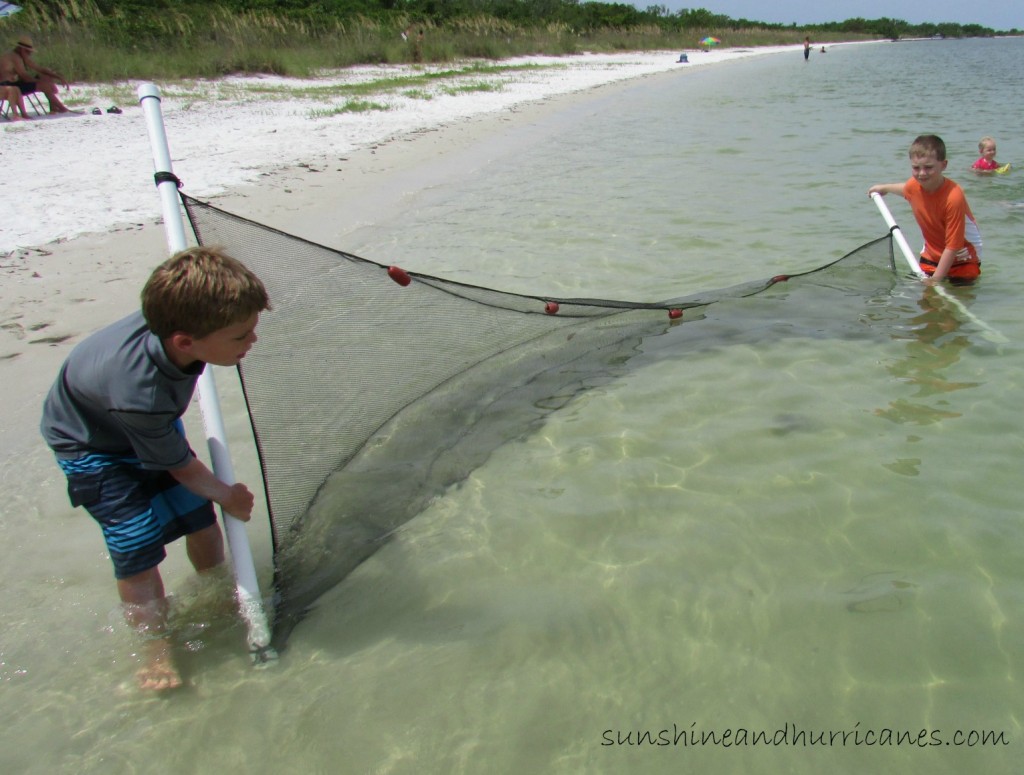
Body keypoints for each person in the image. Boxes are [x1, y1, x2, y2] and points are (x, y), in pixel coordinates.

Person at [40, 247, 271, 691]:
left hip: (141, 426)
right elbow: (181, 466)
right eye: (241, 336)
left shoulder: (178, 320)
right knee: (137, 547)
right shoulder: (140, 391)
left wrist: (213, 498)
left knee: (198, 520)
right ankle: (155, 647)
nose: (252, 342)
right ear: (184, 342)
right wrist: (228, 494)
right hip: (92, 447)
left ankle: (217, 589)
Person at [868, 134, 982, 285]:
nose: (921, 173)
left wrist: (935, 280)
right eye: (916, 168)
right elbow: (907, 190)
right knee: (922, 301)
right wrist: (885, 188)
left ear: (943, 165)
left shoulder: (954, 197)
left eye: (928, 167)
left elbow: (953, 246)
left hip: (963, 257)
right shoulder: (913, 186)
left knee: (955, 297)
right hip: (932, 255)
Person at [0, 36, 71, 114]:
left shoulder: (20, 56)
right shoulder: (14, 57)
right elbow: (25, 77)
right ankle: (62, 109)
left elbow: (40, 69)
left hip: (14, 84)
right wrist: (43, 83)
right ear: (22, 50)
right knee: (44, 85)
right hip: (7, 86)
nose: (29, 54)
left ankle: (54, 108)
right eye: (28, 52)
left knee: (45, 76)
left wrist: (59, 77)